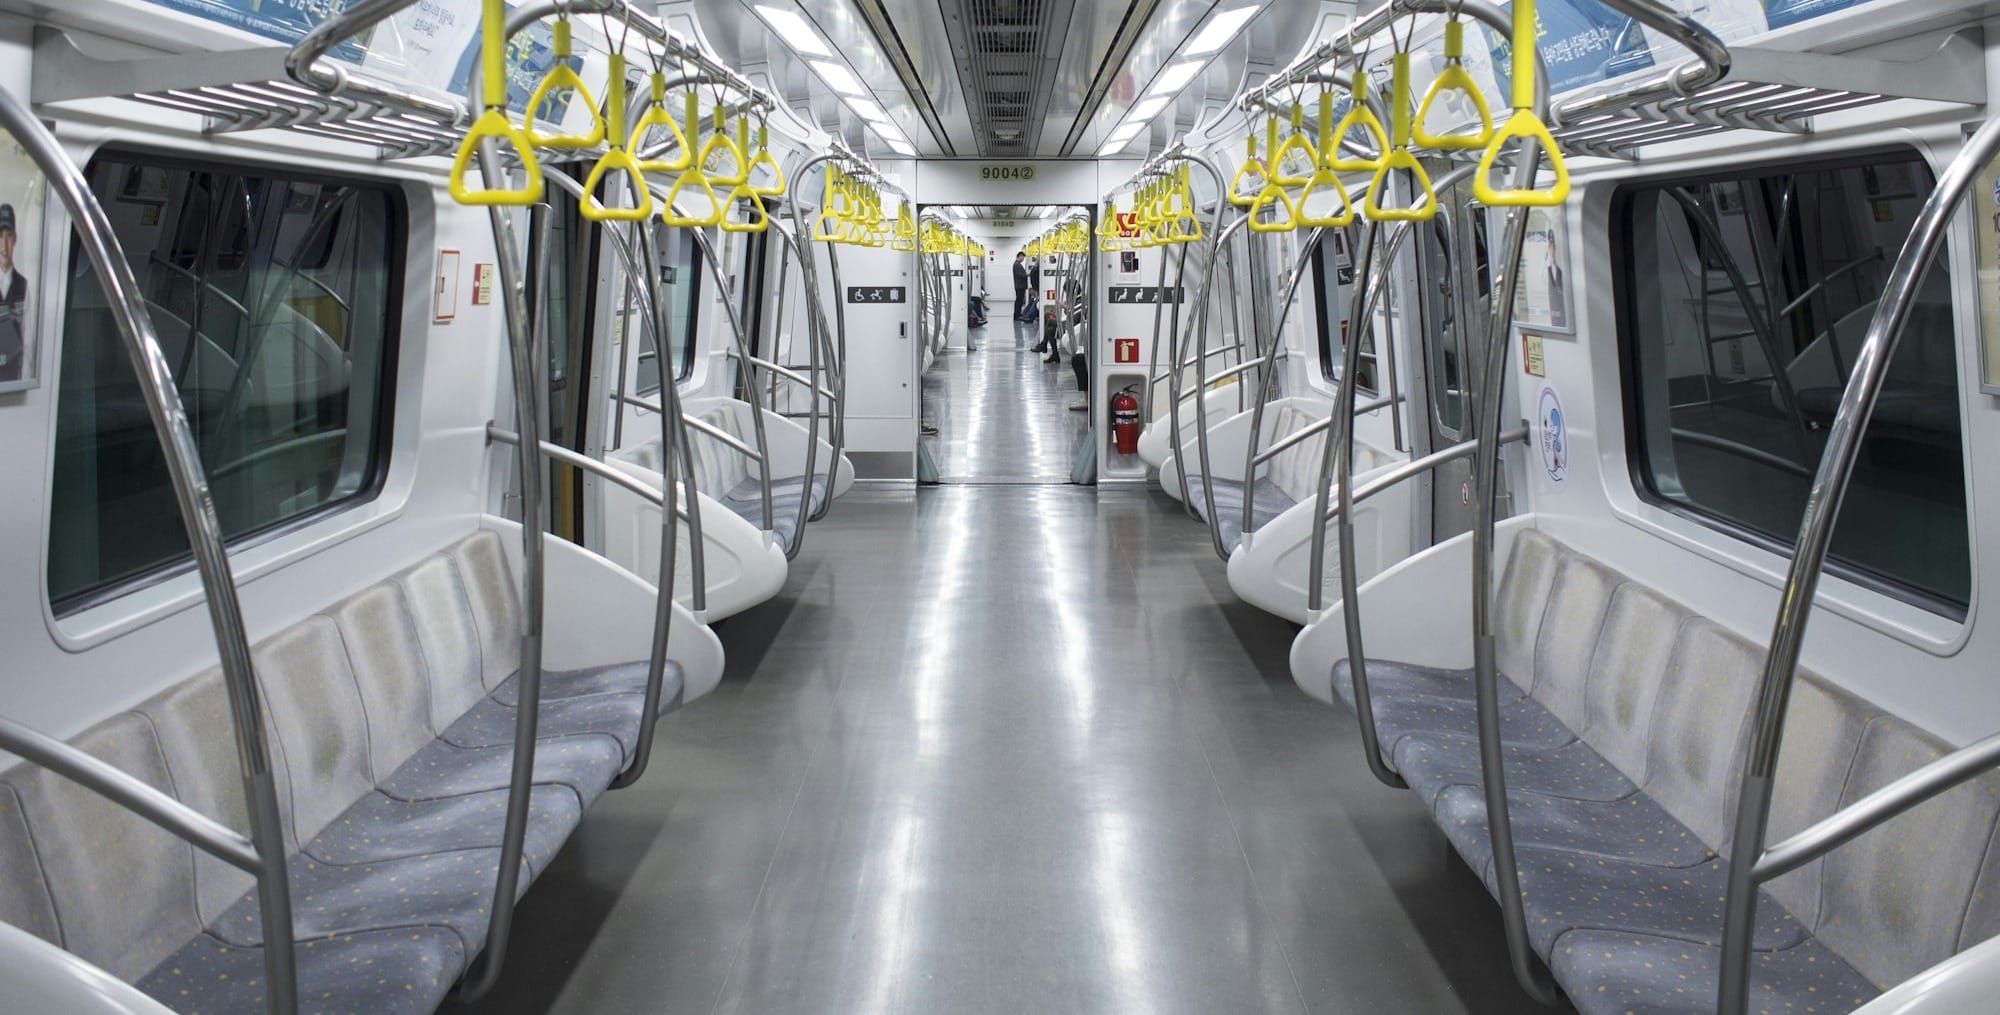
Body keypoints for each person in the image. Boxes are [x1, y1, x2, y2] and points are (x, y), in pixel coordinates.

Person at [0, 203, 27, 382]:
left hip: (12, 379)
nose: (4, 244)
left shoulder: (23, 286)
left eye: (8, 236)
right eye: (0, 236)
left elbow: (29, 339)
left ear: (15, 238)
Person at [1011, 252, 1033, 323]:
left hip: (1020, 286)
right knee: (1018, 301)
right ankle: (1017, 315)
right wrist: (1029, 274)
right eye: (1022, 257)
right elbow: (1021, 275)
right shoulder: (1017, 265)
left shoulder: (1018, 264)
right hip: (1020, 286)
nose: (1023, 259)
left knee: (1019, 301)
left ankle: (1018, 314)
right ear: (1019, 256)